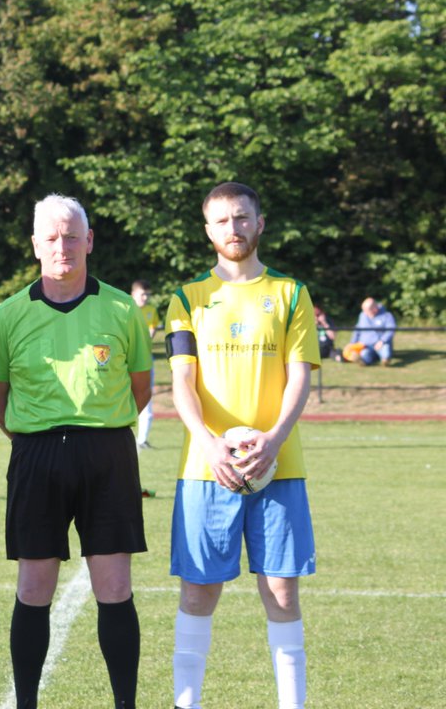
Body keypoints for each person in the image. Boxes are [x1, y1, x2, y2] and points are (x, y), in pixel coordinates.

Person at [0, 194, 151, 709]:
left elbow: (139, 388)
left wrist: (96, 429)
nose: (62, 246)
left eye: (72, 235)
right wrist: (34, 440)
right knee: (34, 587)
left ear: (89, 240)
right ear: (35, 244)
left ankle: (126, 703)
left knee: (114, 587)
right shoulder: (9, 314)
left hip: (109, 455)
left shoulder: (121, 307)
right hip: (36, 457)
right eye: (51, 237)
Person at [165, 182, 320, 709]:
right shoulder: (187, 299)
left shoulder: (291, 293)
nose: (233, 229)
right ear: (208, 231)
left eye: (242, 217)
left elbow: (299, 376)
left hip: (280, 466)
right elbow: (182, 383)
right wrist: (208, 445)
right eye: (222, 221)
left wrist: (274, 441)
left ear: (260, 222)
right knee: (197, 592)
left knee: (282, 590)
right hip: (207, 469)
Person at [130, 280, 161, 450]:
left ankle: (142, 439)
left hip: (145, 359)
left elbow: (151, 332)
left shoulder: (151, 311)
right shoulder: (125, 307)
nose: (145, 298)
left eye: (147, 295)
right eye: (142, 294)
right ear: (133, 294)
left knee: (145, 396)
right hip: (126, 359)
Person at [350, 297, 396, 366]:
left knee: (385, 352)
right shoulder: (362, 315)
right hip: (366, 345)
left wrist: (382, 341)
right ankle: (363, 361)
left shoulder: (387, 316)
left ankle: (385, 360)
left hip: (381, 344)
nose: (365, 313)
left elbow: (391, 329)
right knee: (365, 354)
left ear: (375, 308)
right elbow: (358, 330)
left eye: (367, 310)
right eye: (364, 310)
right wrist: (353, 342)